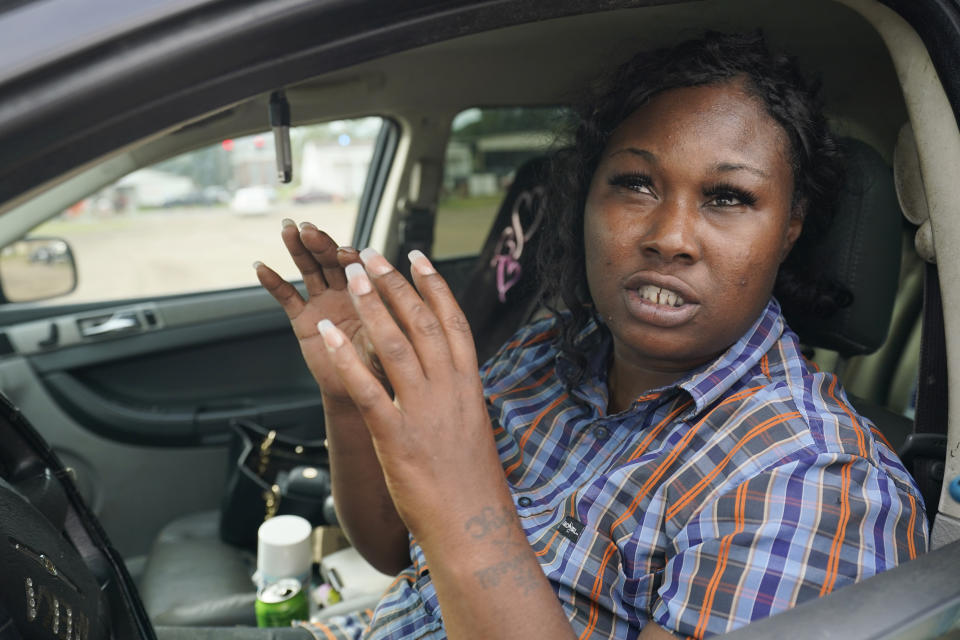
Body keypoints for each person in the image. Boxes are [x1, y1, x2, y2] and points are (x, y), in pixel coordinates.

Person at [254, 31, 927, 640]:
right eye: (634, 185)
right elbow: (397, 550)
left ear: (791, 227)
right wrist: (352, 395)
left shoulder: (815, 484)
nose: (668, 237)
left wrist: (466, 505)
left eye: (727, 198)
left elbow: (452, 531)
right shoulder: (546, 355)